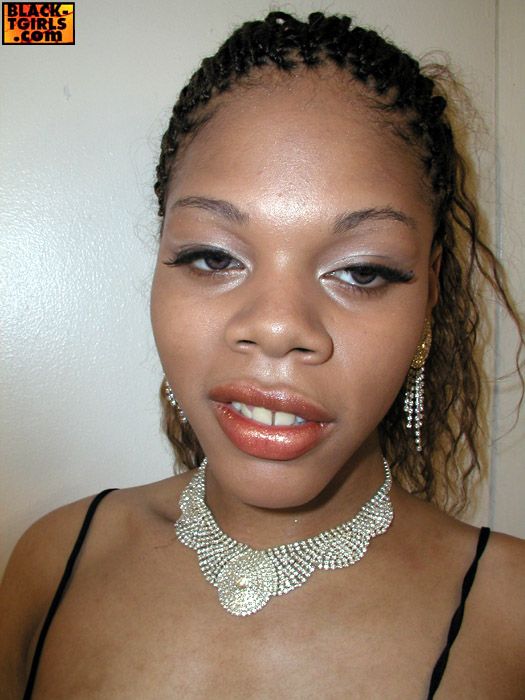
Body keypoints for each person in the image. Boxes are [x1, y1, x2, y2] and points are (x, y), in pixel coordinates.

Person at [1, 10, 524, 699]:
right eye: (213, 257)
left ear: (428, 295)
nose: (277, 328)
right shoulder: (51, 563)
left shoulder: (510, 616)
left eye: (362, 271)